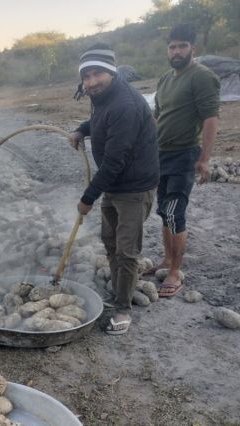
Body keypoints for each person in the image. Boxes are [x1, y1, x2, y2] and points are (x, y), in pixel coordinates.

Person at [69, 44, 159, 335]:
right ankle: (121, 289)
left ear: (112, 72)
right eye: (87, 76)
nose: (92, 81)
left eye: (98, 74)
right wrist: (82, 129)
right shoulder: (101, 97)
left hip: (133, 187)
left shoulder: (126, 104)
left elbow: (114, 162)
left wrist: (87, 198)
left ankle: (123, 310)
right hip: (115, 185)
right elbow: (99, 122)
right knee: (110, 241)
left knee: (127, 250)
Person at [146, 24, 220, 297]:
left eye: (182, 46)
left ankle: (175, 271)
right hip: (160, 154)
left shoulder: (201, 76)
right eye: (172, 46)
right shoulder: (165, 79)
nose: (176, 51)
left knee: (175, 212)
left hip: (184, 153)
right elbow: (158, 117)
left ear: (192, 48)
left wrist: (204, 159)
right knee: (164, 211)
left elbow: (211, 118)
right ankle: (166, 260)